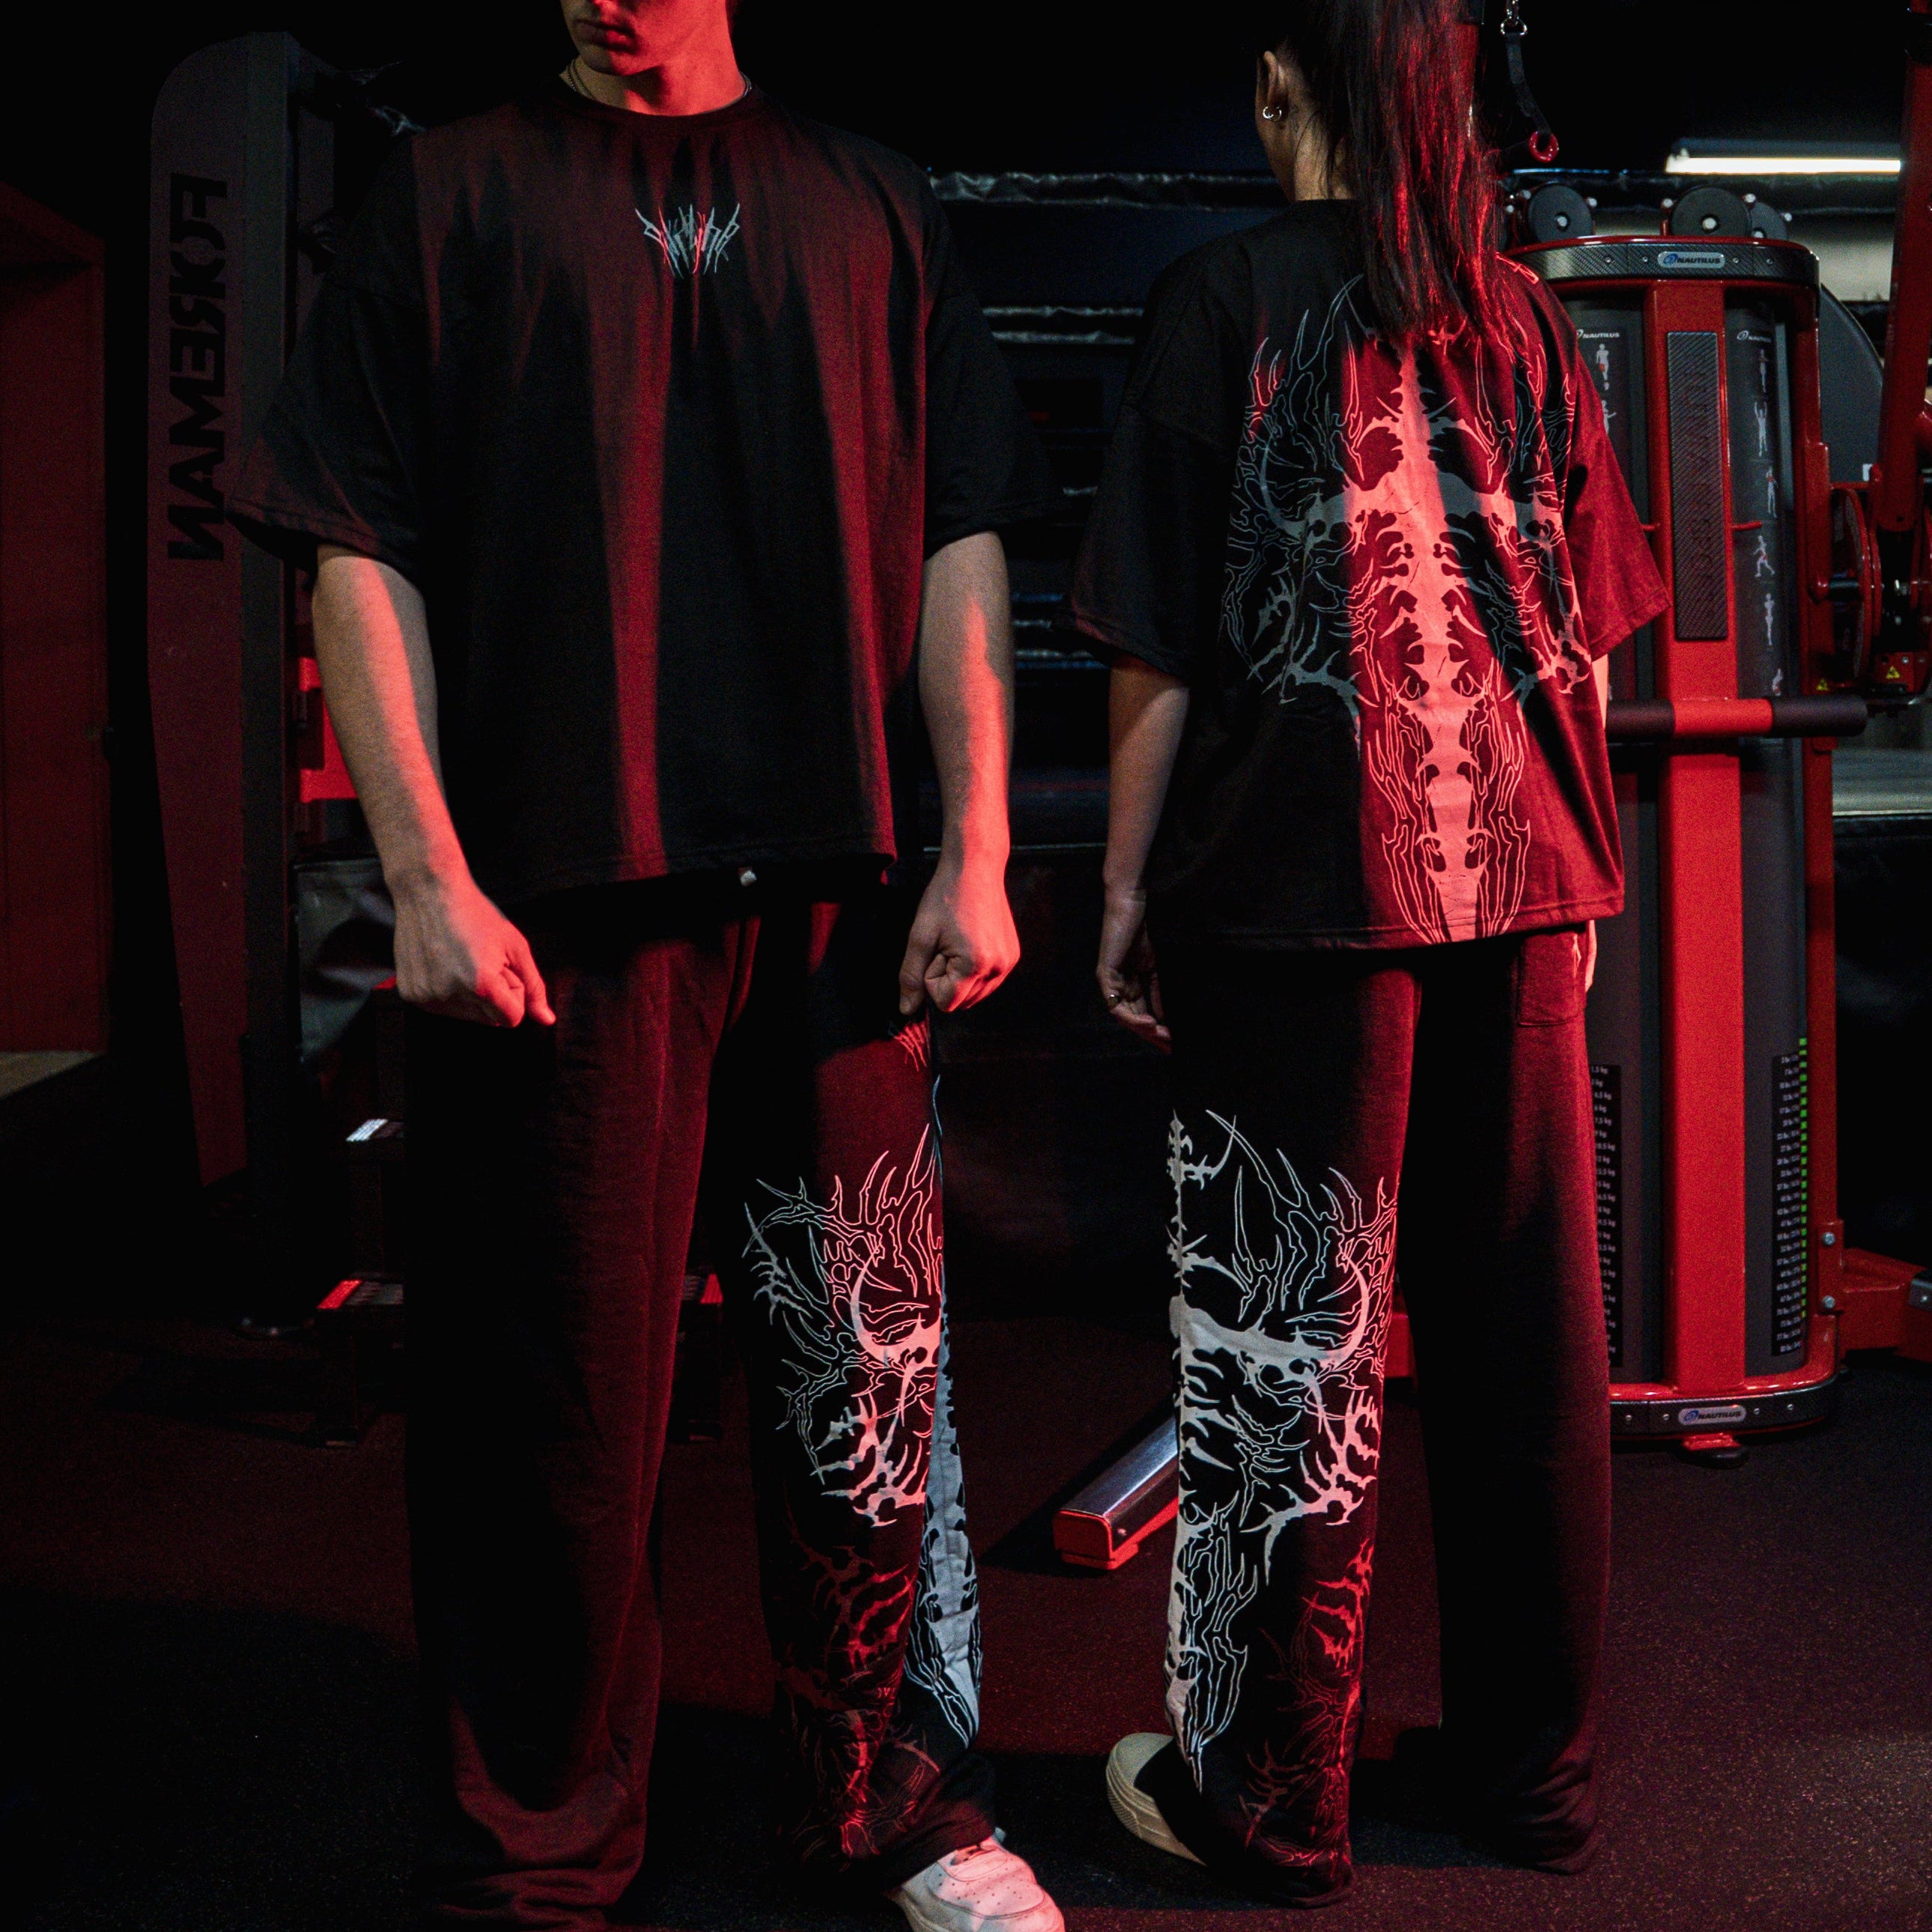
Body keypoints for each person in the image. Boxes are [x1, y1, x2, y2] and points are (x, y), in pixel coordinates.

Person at [229, 4, 1066, 1928]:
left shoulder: (870, 203)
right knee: (551, 1413)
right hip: (560, 909)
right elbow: (353, 545)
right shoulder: (450, 192)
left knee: (865, 1388)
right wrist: (424, 879)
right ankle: (536, 1854)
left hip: (841, 897)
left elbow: (959, 533)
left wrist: (980, 844)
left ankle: (895, 1813)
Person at [1068, 0, 1668, 1906]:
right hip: (1526, 886)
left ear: (1278, 91)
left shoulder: (1220, 301)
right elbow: (1594, 633)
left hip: (1298, 897)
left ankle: (1268, 1798)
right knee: (1527, 1356)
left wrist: (1121, 894)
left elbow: (1155, 644)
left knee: (1288, 1347)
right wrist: (1559, 844)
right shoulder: (1525, 318)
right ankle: (1532, 1784)